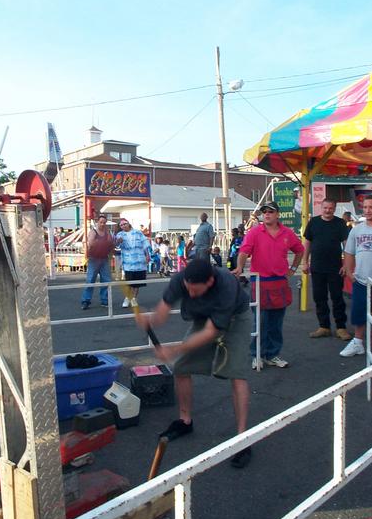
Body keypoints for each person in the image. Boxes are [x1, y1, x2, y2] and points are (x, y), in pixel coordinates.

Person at [136, 259, 252, 468]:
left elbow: (211, 332)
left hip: (236, 318)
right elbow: (163, 308)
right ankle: (185, 421)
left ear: (209, 281)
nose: (190, 294)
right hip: (203, 318)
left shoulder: (226, 284)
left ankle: (242, 438)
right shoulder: (181, 279)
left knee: (236, 374)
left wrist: (174, 349)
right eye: (187, 288)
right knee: (181, 368)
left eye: (195, 290)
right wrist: (150, 319)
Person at [233, 201, 304, 370]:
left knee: (276, 323)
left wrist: (293, 269)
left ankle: (272, 355)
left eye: (270, 211)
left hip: (280, 282)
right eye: (264, 211)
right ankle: (256, 355)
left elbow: (300, 250)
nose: (266, 214)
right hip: (260, 283)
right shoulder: (254, 232)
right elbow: (244, 251)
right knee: (260, 322)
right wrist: (239, 267)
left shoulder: (287, 233)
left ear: (277, 214)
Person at [301, 198, 350, 341]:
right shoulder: (313, 222)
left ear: (334, 209)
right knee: (319, 297)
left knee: (337, 298)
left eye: (330, 208)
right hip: (317, 267)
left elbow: (347, 245)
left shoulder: (340, 223)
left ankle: (341, 327)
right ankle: (324, 327)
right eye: (325, 208)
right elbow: (307, 243)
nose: (328, 210)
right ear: (321, 208)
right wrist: (305, 262)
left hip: (336, 268)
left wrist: (346, 265)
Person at [340, 195, 372, 357]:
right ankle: (358, 343)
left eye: (371, 207)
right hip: (361, 280)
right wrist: (349, 271)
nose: (368, 210)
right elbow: (349, 252)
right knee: (359, 313)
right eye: (365, 207)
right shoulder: (357, 229)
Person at [81, 214, 114, 309]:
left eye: (104, 223)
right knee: (90, 280)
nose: (102, 224)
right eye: (101, 222)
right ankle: (86, 301)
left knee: (106, 280)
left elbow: (111, 244)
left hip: (104, 259)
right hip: (94, 259)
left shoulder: (108, 233)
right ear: (97, 222)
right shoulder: (93, 232)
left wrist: (114, 244)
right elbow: (90, 243)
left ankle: (105, 300)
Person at [115, 218, 150, 307]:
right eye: (121, 225)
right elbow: (117, 245)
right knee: (129, 282)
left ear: (128, 223)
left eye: (124, 224)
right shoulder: (120, 234)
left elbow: (145, 243)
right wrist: (118, 242)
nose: (123, 226)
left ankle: (134, 298)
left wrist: (147, 255)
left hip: (139, 261)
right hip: (128, 262)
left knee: (137, 283)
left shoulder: (138, 232)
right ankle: (127, 298)